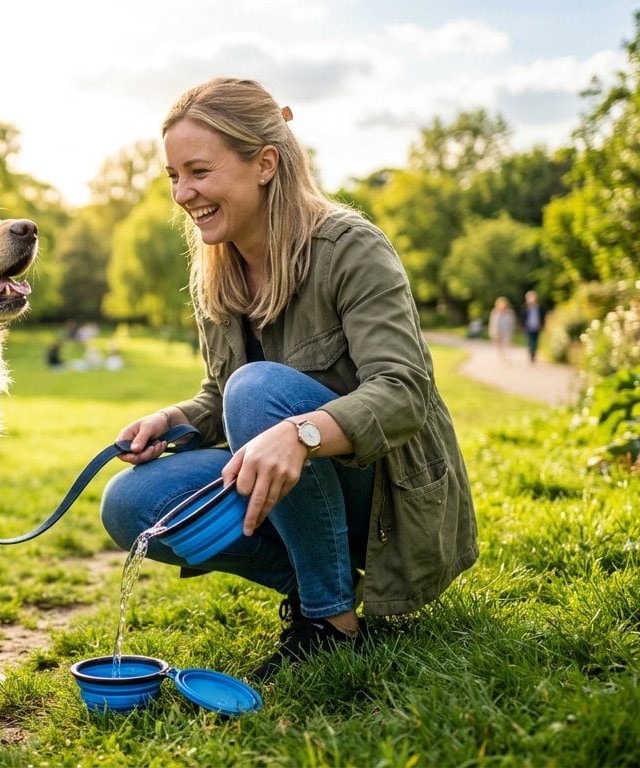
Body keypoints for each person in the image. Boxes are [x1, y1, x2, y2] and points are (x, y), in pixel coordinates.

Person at [99, 77, 477, 681]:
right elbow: (221, 396)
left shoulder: (351, 248)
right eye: (174, 176)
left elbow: (405, 390)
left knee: (260, 390)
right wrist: (175, 421)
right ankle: (316, 582)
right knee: (131, 504)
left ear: (265, 164)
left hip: (383, 500)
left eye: (198, 171)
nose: (183, 193)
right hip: (302, 490)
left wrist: (300, 432)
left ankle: (328, 621)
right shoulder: (215, 269)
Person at [488, 296, 517, 362]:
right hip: (497, 332)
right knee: (499, 345)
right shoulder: (494, 312)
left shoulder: (509, 313)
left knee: (507, 345)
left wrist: (513, 331)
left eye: (503, 304)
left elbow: (512, 323)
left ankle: (507, 357)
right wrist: (491, 333)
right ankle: (501, 356)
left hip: (506, 332)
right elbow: (492, 324)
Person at [521, 290, 544, 365]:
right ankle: (531, 355)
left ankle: (533, 354)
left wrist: (542, 325)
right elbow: (522, 317)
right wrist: (523, 326)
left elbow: (542, 317)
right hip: (528, 327)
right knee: (530, 342)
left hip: (537, 327)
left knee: (536, 342)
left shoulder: (539, 307)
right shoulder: (525, 307)